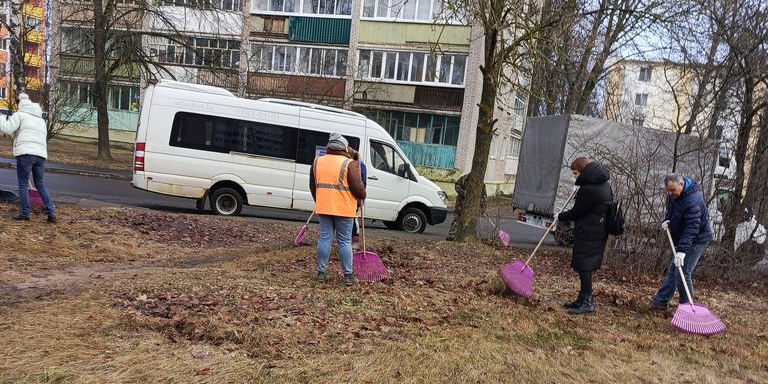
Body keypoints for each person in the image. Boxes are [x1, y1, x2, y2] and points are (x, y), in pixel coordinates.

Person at [309, 133, 366, 286]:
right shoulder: (348, 163)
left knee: (325, 238)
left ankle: (321, 272)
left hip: (324, 206)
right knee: (344, 241)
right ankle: (348, 275)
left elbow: (313, 186)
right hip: (344, 209)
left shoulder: (317, 161)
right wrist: (363, 194)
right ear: (343, 147)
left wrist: (320, 200)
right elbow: (358, 189)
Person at [650, 174, 713, 311]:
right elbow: (672, 210)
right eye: (668, 191)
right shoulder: (674, 195)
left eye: (673, 190)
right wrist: (668, 219)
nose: (670, 194)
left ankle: (687, 309)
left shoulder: (692, 201)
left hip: (698, 239)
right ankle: (660, 302)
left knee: (683, 272)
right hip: (686, 236)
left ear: (681, 184)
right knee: (674, 270)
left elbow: (692, 229)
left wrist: (682, 252)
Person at [557, 157, 611, 315]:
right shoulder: (603, 184)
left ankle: (587, 302)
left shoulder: (588, 189)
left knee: (584, 266)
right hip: (597, 230)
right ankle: (582, 299)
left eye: (575, 173)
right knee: (584, 265)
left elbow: (577, 212)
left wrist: (561, 216)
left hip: (589, 232)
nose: (575, 177)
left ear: (582, 171)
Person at [0, 93, 56, 223]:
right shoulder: (41, 120)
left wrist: (2, 118)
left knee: (23, 184)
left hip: (26, 154)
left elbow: (7, 129)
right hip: (41, 156)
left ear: (20, 105)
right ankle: (51, 213)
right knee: (40, 184)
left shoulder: (20, 115)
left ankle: (25, 213)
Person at [446, 173, 487, 241]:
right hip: (460, 204)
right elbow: (457, 186)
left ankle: (465, 236)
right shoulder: (464, 179)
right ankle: (452, 235)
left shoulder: (481, 183)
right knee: (456, 220)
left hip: (472, 207)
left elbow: (483, 197)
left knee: (469, 222)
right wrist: (465, 193)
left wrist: (483, 208)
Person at [348, 147, 367, 251]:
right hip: (347, 197)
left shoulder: (360, 165)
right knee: (349, 218)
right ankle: (349, 240)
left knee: (353, 217)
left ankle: (355, 240)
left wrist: (360, 196)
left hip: (355, 197)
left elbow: (363, 183)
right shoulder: (348, 164)